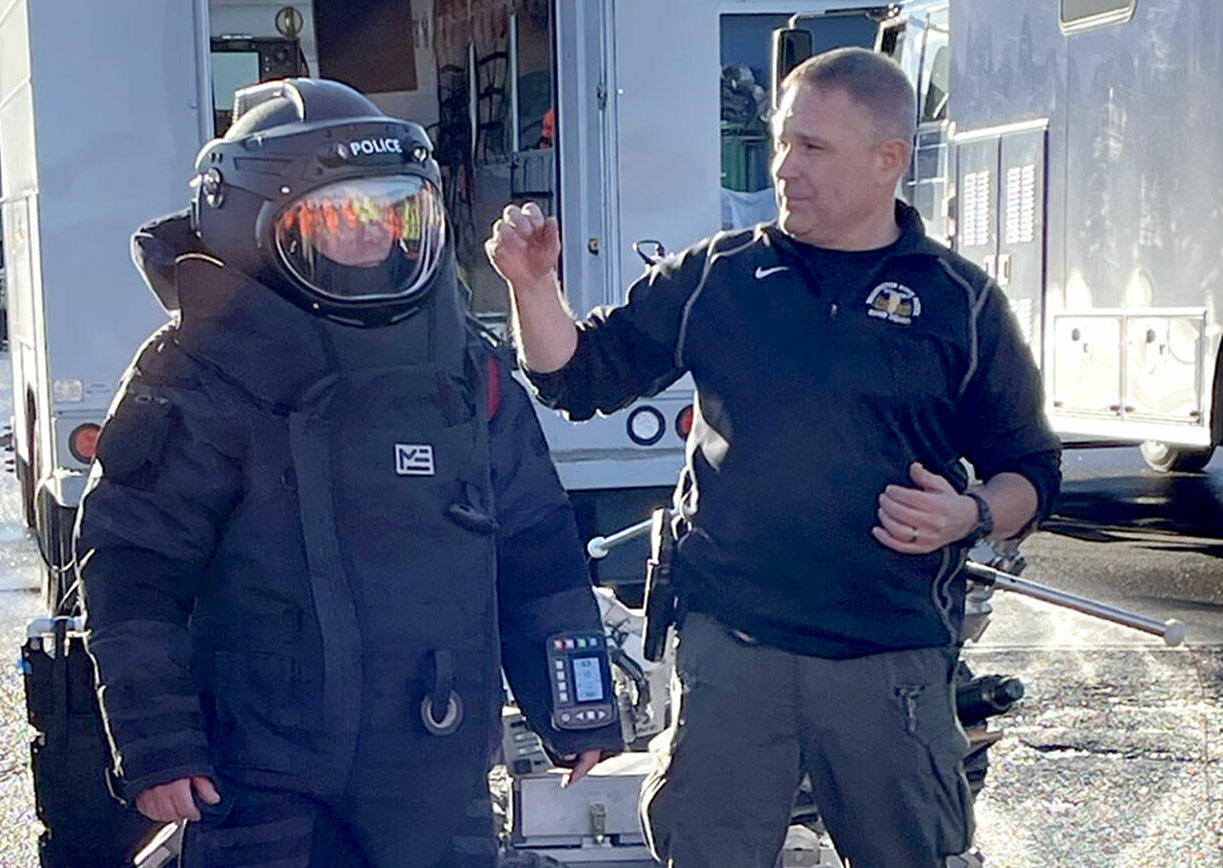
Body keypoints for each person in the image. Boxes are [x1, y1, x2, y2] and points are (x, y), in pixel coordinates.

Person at [486, 48, 1061, 868]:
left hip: (887, 659)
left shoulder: (957, 304)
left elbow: (1034, 474)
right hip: (733, 656)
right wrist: (532, 288)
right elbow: (576, 378)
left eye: (813, 148)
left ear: (887, 160)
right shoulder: (722, 275)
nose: (784, 167)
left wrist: (968, 515)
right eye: (783, 143)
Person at [77, 78, 621, 868]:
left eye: (393, 214)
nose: (370, 236)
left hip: (438, 765)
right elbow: (132, 568)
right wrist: (159, 743)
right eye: (340, 216)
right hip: (265, 775)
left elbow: (536, 544)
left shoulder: (463, 364)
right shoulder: (203, 368)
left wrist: (575, 705)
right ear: (257, 225)